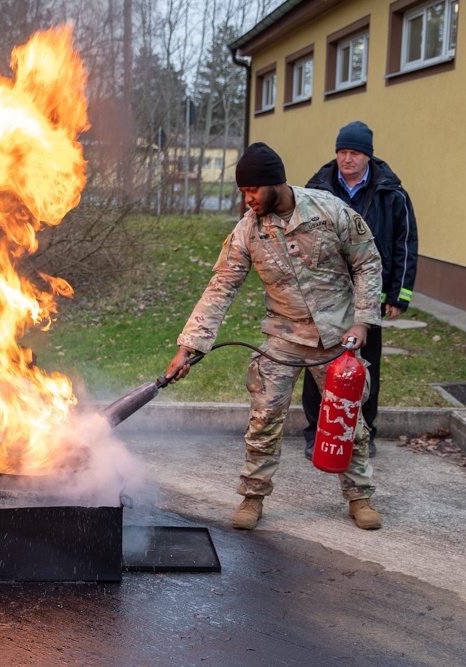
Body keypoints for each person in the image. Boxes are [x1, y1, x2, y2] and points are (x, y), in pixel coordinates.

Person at [165, 142, 384, 531]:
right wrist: (190, 346)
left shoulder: (328, 210)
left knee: (348, 420)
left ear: (274, 183)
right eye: (243, 193)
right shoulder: (248, 231)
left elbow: (367, 261)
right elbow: (221, 287)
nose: (247, 200)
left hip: (335, 335)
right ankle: (252, 497)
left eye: (252, 191)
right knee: (264, 418)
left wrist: (363, 321)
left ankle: (360, 497)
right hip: (283, 336)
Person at [301, 121, 419, 460]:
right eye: (342, 152)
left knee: (366, 368)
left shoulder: (392, 194)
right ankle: (316, 433)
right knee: (320, 366)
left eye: (354, 153)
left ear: (368, 156)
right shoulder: (317, 190)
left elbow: (404, 245)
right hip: (326, 297)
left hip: (370, 302)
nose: (346, 159)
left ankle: (362, 434)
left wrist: (400, 295)